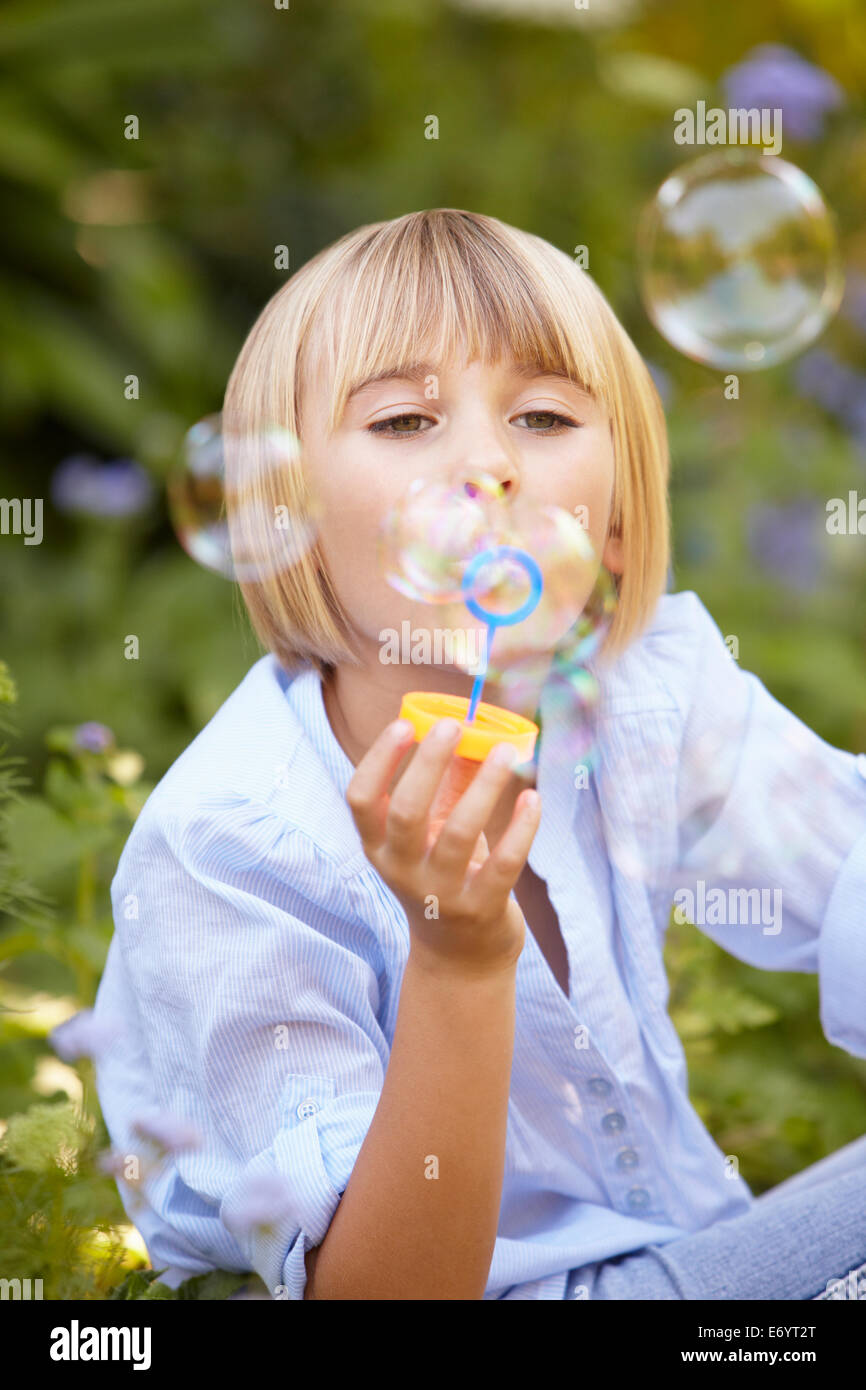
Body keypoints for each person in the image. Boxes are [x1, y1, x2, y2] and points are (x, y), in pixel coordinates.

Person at [91, 209, 866, 1300]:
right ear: (282, 510)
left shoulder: (648, 690)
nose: (487, 465)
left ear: (612, 526)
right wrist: (457, 955)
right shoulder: (228, 843)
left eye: (543, 414)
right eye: (405, 419)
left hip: (693, 1263)